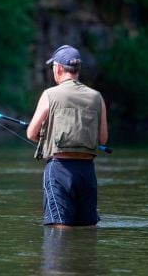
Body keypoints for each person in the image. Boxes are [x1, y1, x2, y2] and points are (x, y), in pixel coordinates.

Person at [27, 45, 108, 227]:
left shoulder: (49, 94)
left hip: (59, 170)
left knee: (60, 230)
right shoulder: (97, 97)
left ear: (58, 68)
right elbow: (102, 139)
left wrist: (45, 136)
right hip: (87, 172)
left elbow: (31, 133)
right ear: (77, 69)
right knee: (88, 229)